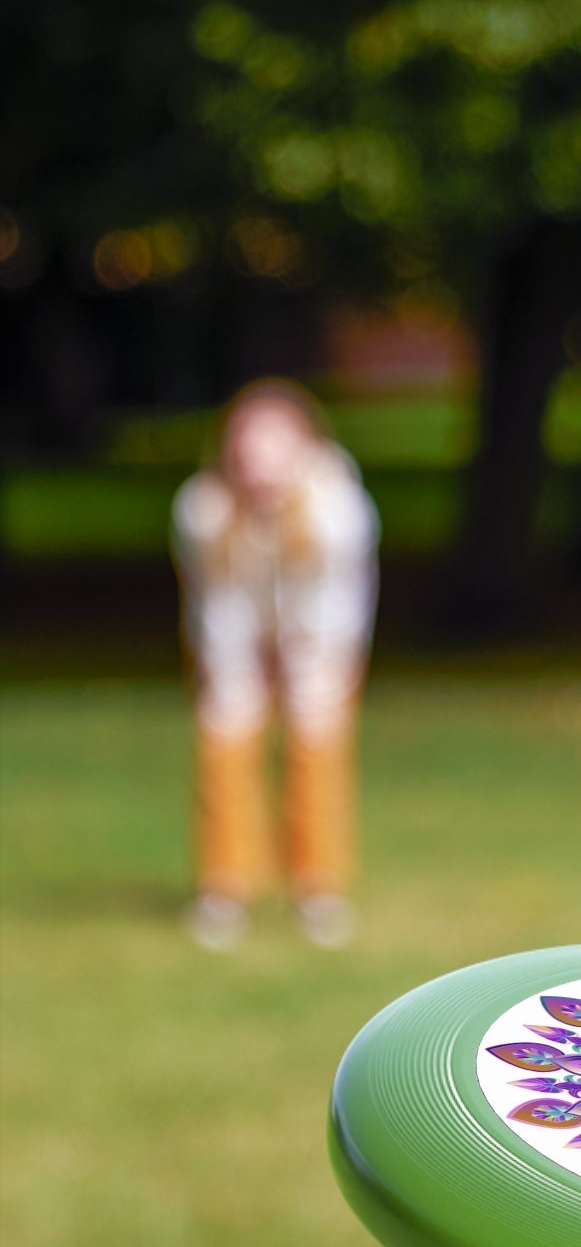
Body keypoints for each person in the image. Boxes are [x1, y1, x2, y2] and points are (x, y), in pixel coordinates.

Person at [172, 379, 379, 950]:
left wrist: (305, 666)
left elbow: (336, 604)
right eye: (248, 446)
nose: (259, 463)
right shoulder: (203, 510)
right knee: (225, 740)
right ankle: (225, 888)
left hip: (320, 641)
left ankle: (319, 889)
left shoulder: (338, 508)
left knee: (317, 747)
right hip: (234, 639)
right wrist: (237, 673)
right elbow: (216, 604)